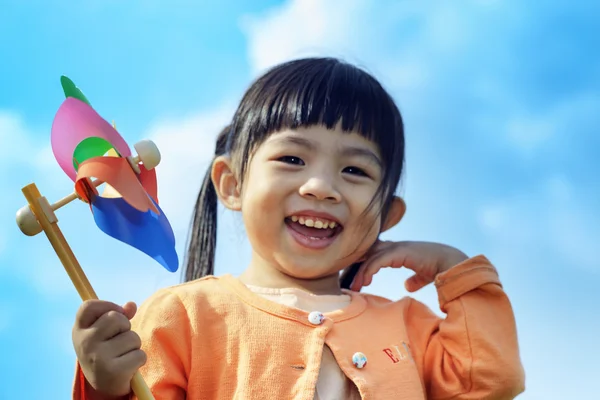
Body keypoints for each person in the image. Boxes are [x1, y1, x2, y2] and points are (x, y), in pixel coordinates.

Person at [71, 57, 525, 400]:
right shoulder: (183, 316)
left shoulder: (409, 325)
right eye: (292, 158)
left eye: (355, 171)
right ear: (231, 184)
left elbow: (491, 380)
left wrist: (456, 269)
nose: (321, 187)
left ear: (387, 215)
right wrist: (107, 386)